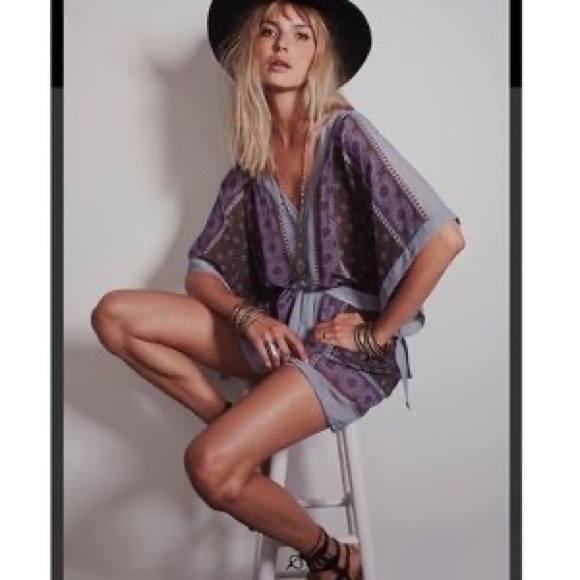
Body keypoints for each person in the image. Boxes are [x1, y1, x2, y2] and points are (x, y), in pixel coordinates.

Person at [91, 1, 465, 578]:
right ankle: (233, 425)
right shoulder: (253, 159)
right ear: (253, 51)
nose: (283, 46)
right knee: (115, 315)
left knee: (210, 466)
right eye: (269, 32)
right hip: (278, 332)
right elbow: (200, 272)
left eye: (300, 35)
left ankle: (331, 556)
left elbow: (444, 238)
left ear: (320, 55)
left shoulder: (346, 133)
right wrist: (248, 317)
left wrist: (376, 335)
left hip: (340, 353)